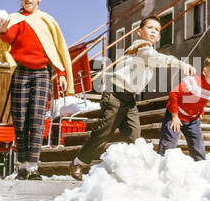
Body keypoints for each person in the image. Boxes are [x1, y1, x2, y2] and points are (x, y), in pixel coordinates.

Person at [69, 15, 196, 181]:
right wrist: (181, 64)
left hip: (128, 99)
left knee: (133, 135)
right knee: (104, 131)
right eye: (150, 27)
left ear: (158, 37)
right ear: (140, 32)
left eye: (157, 30)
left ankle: (127, 170)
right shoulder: (142, 47)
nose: (153, 31)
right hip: (115, 93)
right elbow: (158, 59)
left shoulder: (147, 51)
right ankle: (79, 162)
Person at [0, 0, 74, 180]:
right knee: (20, 120)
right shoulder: (14, 19)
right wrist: (3, 28)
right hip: (21, 72)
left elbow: (56, 48)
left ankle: (33, 167)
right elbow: (7, 38)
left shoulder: (47, 20)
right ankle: (21, 166)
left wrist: (61, 74)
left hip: (41, 74)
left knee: (37, 120)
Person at [158, 56, 210, 161]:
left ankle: (199, 166)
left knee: (198, 146)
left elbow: (200, 100)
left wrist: (201, 111)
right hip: (176, 116)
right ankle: (162, 164)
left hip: (192, 120)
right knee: (169, 145)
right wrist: (174, 116)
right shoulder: (193, 82)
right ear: (205, 71)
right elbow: (174, 94)